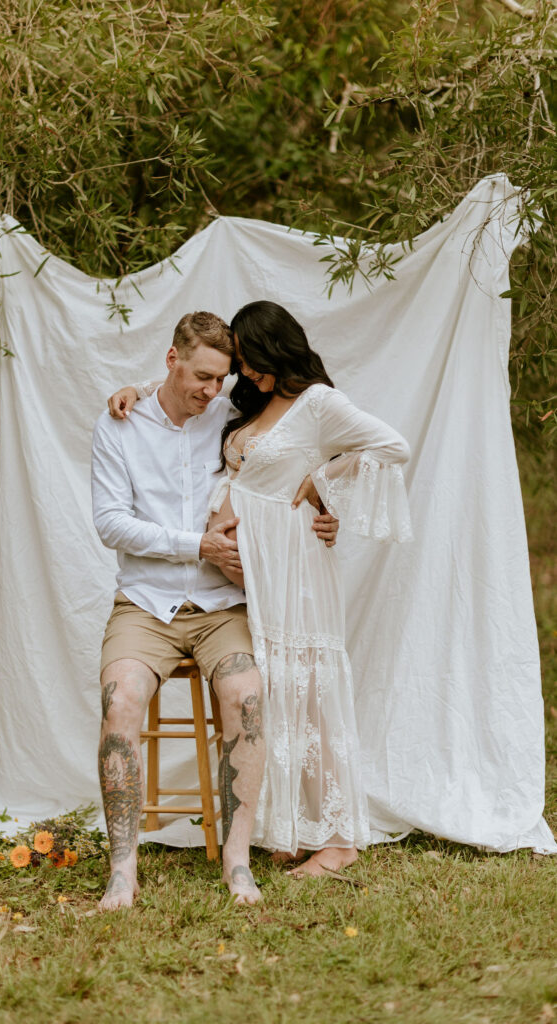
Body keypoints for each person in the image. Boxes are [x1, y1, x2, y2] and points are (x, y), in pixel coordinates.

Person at [111, 301, 412, 879]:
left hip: (295, 566)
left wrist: (324, 481)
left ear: (277, 349)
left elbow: (392, 446)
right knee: (276, 691)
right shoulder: (247, 400)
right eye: (239, 365)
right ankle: (297, 828)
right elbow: (185, 384)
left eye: (250, 361)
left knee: (312, 691)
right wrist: (136, 389)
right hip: (254, 576)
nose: (243, 374)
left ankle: (339, 841)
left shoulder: (318, 402)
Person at [92, 310, 339, 910]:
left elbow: (302, 439)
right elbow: (110, 523)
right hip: (146, 605)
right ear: (171, 359)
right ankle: (122, 870)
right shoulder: (120, 423)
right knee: (120, 699)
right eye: (201, 376)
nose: (211, 390)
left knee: (247, 697)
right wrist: (196, 545)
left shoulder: (232, 419)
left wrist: (327, 507)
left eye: (221, 378)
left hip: (221, 606)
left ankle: (237, 859)